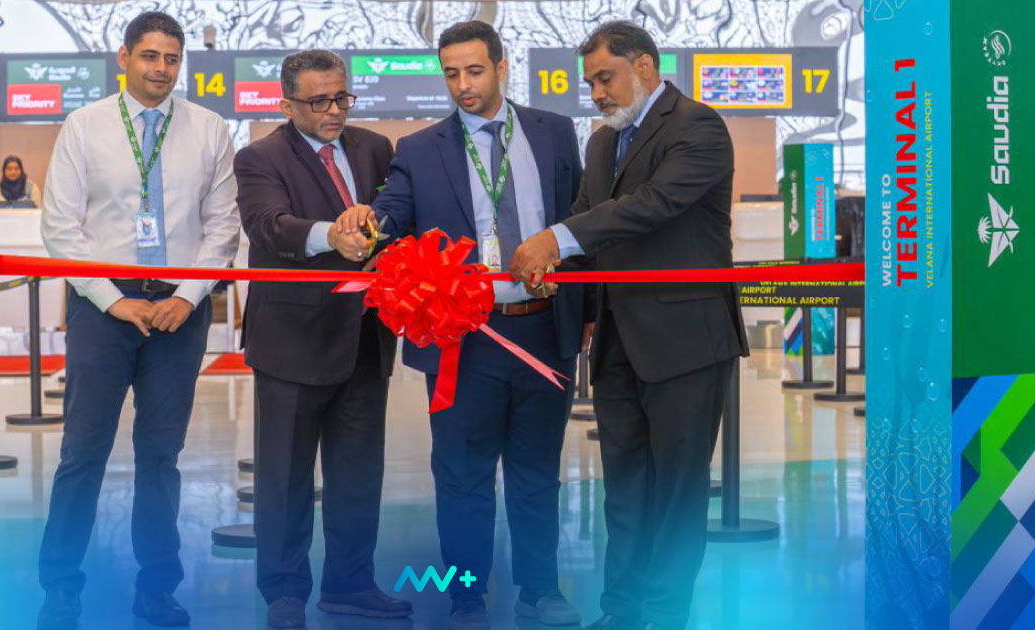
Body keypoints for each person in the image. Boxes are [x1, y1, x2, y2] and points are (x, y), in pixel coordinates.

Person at [335, 21, 588, 630]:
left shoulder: (555, 133)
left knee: (537, 472)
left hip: (543, 329)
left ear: (501, 67)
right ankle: (467, 595)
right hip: (463, 337)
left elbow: (581, 221)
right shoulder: (420, 149)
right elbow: (392, 215)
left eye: (474, 71)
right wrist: (366, 225)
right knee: (461, 474)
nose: (462, 85)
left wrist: (588, 315)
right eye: (451, 74)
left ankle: (539, 589)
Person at [509, 21, 749, 630]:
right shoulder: (601, 144)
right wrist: (539, 268)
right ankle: (622, 611)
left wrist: (555, 239)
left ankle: (666, 616)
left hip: (686, 344)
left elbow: (652, 206)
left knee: (676, 493)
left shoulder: (697, 126)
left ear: (644, 66)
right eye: (590, 83)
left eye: (604, 78)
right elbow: (588, 225)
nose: (596, 94)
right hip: (617, 344)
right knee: (624, 490)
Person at [37, 11, 240, 630]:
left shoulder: (209, 129)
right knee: (82, 452)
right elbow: (61, 226)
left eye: (172, 58)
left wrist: (189, 296)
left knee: (160, 455)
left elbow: (223, 227)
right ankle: (60, 587)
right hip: (104, 307)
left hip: (180, 309)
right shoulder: (84, 125)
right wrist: (111, 299)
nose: (161, 69)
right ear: (123, 58)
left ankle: (157, 588)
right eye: (150, 56)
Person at [234, 49, 411, 629]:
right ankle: (284, 593)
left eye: (341, 97)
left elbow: (395, 217)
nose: (334, 110)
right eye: (318, 101)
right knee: (284, 478)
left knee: (357, 476)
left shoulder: (376, 148)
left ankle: (351, 585)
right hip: (292, 343)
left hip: (365, 339)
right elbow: (269, 226)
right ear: (287, 105)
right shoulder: (260, 158)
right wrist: (330, 235)